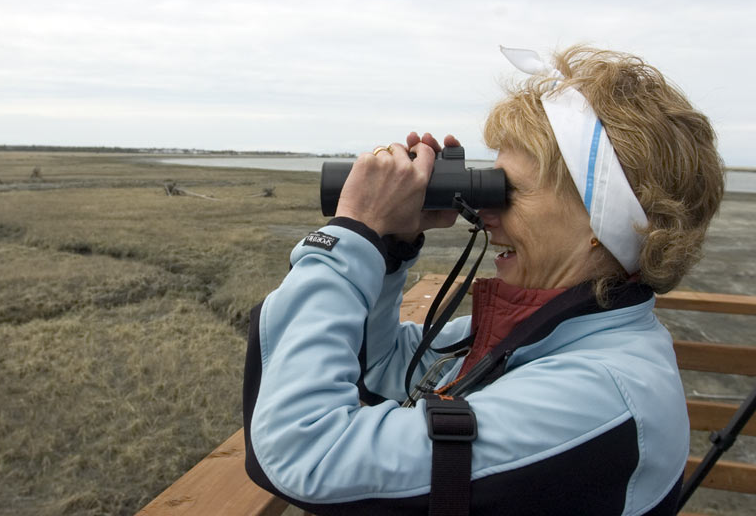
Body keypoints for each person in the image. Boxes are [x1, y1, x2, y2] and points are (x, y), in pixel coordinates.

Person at [242, 45, 725, 515]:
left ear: (599, 220)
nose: (483, 215)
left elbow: (305, 452)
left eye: (507, 191)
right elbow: (382, 366)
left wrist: (348, 238)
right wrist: (388, 246)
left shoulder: (594, 396)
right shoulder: (546, 336)